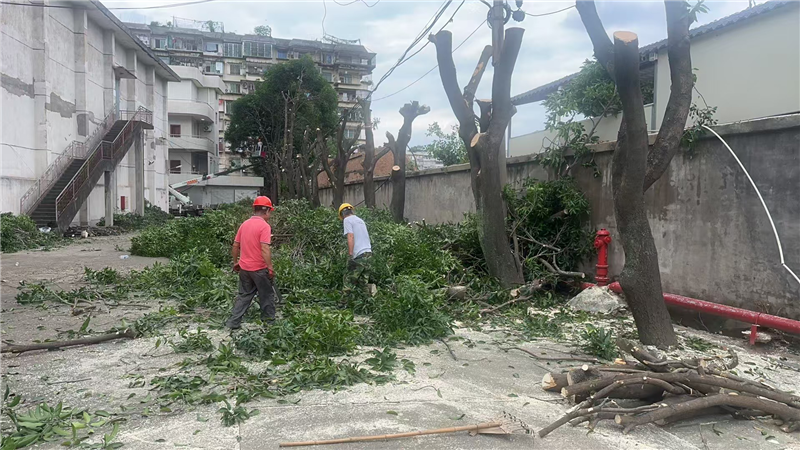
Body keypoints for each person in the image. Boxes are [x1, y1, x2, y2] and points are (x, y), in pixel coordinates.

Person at [226, 196, 275, 329]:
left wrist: (235, 262)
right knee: (266, 295)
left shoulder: (244, 224)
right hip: (259, 269)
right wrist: (270, 267)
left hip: (244, 269)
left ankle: (233, 322)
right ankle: (269, 323)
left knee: (244, 296)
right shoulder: (264, 226)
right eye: (270, 212)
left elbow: (235, 245)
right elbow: (264, 248)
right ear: (267, 211)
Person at [338, 203, 373, 293]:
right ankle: (367, 300)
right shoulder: (360, 220)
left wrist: (350, 254)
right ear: (351, 211)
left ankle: (344, 300)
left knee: (348, 280)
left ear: (342, 214)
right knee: (363, 283)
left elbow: (350, 236)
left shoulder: (347, 220)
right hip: (368, 253)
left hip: (359, 255)